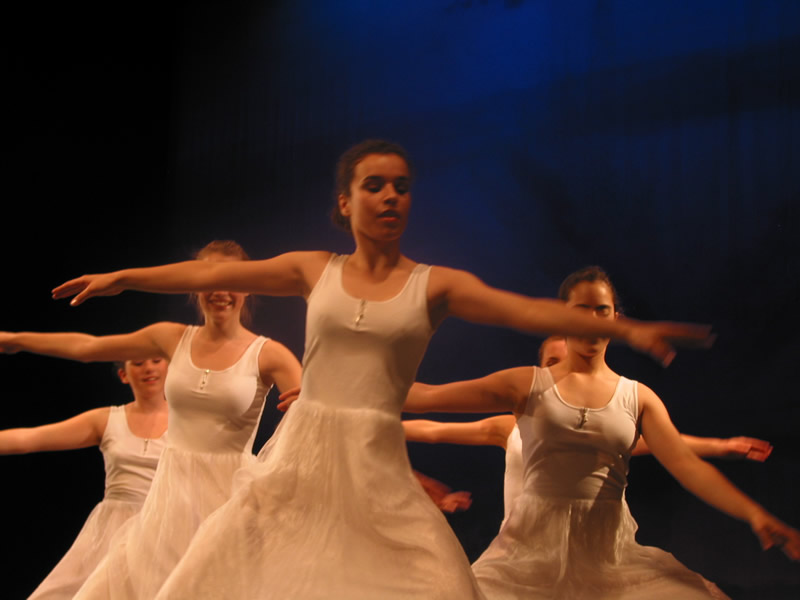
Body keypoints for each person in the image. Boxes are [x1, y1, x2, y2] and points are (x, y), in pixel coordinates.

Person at [51, 140, 712, 599]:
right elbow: (210, 274)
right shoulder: (314, 269)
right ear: (345, 203)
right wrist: (122, 277)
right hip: (302, 453)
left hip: (374, 455)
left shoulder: (435, 284)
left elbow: (525, 310)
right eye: (374, 185)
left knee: (438, 583)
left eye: (401, 186)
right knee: (222, 571)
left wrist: (626, 329)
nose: (390, 196)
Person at [403, 267, 799, 599]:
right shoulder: (527, 385)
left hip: (610, 554)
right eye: (582, 310)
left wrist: (754, 514)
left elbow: (685, 464)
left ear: (615, 319)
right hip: (526, 554)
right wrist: (373, 367)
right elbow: (427, 398)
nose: (591, 320)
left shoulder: (638, 398)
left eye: (602, 310)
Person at [1, 240, 302, 599]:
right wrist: (15, 340)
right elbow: (89, 348)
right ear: (192, 284)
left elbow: (309, 420)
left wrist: (312, 401)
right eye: (208, 278)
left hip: (227, 498)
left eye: (231, 278)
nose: (219, 289)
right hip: (169, 497)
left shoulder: (269, 355)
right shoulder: (170, 338)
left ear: (249, 285)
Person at [403, 335, 773, 525]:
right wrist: (377, 420)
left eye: (569, 364)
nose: (562, 373)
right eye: (552, 362)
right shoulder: (511, 426)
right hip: (523, 555)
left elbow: (665, 445)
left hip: (592, 552)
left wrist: (722, 445)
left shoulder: (603, 429)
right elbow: (432, 430)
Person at [1, 358, 167, 599]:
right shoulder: (107, 420)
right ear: (124, 374)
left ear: (169, 366)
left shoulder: (189, 420)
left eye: (156, 360)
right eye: (139, 362)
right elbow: (30, 439)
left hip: (165, 525)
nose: (149, 368)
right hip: (113, 527)